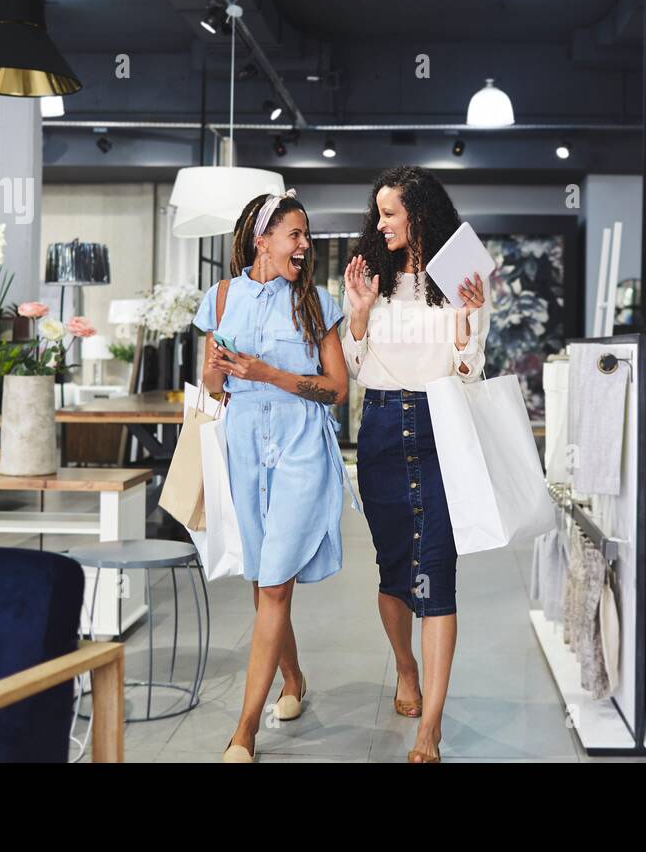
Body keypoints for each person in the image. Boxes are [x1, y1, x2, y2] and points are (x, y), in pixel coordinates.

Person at [195, 189, 350, 764]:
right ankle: (295, 680)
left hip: (301, 444)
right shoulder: (221, 298)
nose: (305, 247)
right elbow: (213, 387)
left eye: (306, 236)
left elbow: (335, 390)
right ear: (262, 240)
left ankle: (244, 732)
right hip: (241, 444)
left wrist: (270, 373)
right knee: (264, 581)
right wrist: (219, 374)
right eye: (296, 235)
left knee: (276, 582)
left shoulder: (317, 304)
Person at [342, 165, 489, 763]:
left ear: (419, 214)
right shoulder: (369, 272)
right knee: (395, 568)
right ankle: (406, 669)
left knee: (438, 570)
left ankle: (431, 726)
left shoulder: (463, 271)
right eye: (378, 213)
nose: (379, 224)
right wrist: (358, 312)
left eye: (389, 214)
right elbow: (354, 365)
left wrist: (462, 325)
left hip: (439, 427)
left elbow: (470, 371)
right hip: (378, 425)